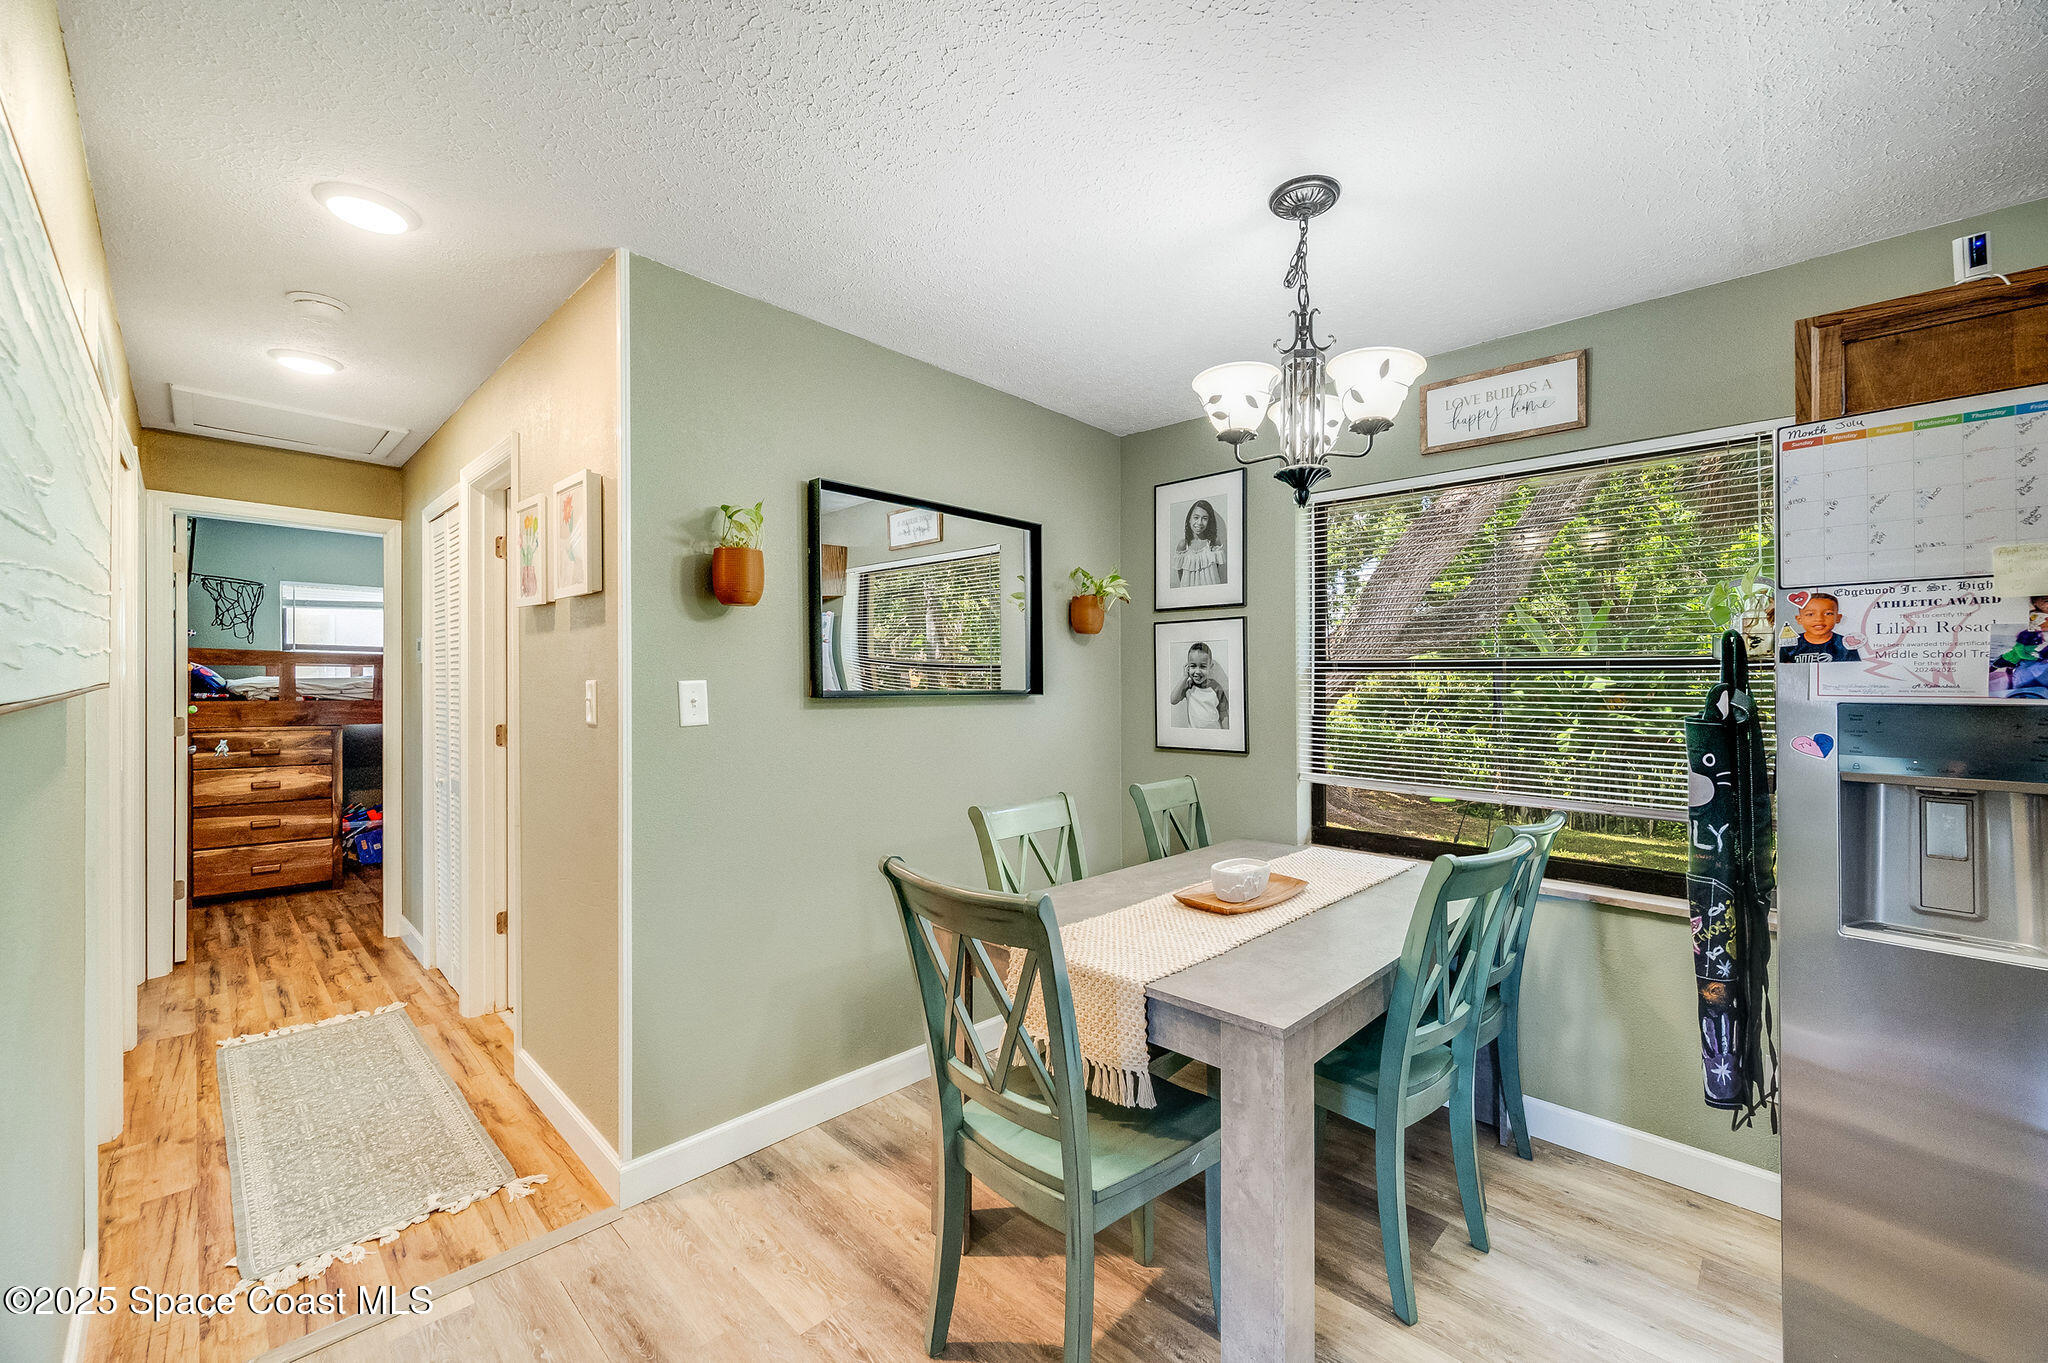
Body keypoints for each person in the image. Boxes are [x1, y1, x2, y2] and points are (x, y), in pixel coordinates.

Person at [1779, 593, 1860, 662]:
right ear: (1799, 619)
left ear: (1838, 618)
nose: (1819, 619)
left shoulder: (1846, 644)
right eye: (1810, 614)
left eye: (1828, 613)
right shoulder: (1789, 646)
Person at [1170, 642, 1230, 729]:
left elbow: (1223, 714)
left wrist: (1225, 734)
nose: (1197, 671)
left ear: (1210, 667)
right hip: (1194, 736)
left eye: (1203, 666)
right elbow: (1173, 700)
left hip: (1214, 734)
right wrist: (1184, 677)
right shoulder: (1188, 685)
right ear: (1188, 667)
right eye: (1193, 666)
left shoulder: (1216, 687)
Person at [1172, 499, 1227, 588]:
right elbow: (1181, 577)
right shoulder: (1183, 545)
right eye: (1196, 517)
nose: (1199, 523)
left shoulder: (1214, 543)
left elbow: (1217, 573)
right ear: (1189, 519)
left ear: (1209, 521)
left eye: (1205, 518)